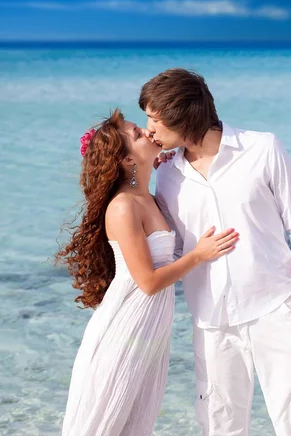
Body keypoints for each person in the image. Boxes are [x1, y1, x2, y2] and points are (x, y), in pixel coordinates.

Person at [139, 68, 291, 436]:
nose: (149, 129)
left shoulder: (263, 148)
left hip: (277, 309)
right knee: (219, 425)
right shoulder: (167, 174)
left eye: (156, 119)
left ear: (185, 115)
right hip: (211, 319)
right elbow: (170, 246)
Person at [57, 109, 239, 436]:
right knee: (104, 425)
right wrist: (199, 255)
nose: (149, 131)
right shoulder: (124, 206)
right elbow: (148, 282)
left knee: (134, 425)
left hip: (148, 330)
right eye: (138, 134)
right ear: (127, 159)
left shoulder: (147, 198)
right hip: (125, 328)